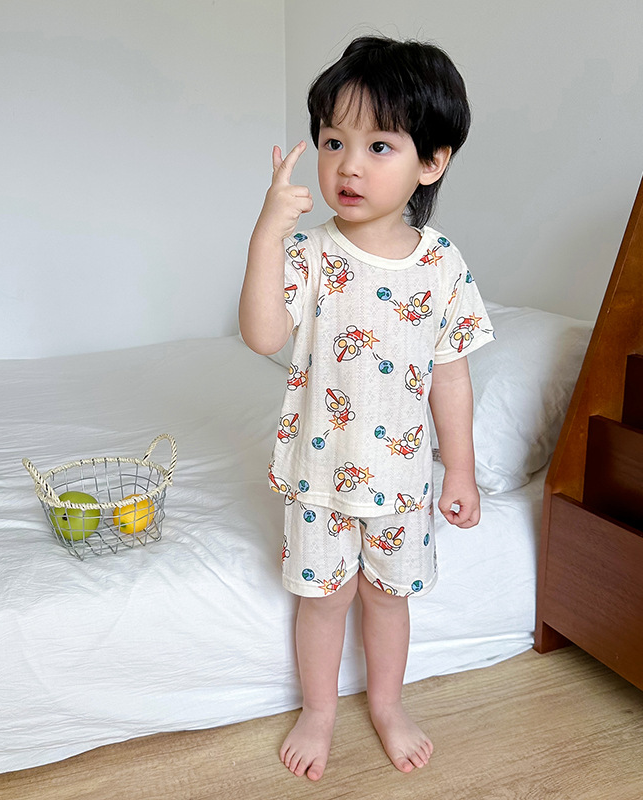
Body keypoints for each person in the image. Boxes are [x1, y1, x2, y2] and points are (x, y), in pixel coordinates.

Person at [238, 35, 494, 781]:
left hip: (403, 481)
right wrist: (266, 235)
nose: (348, 165)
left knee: (387, 600)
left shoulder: (442, 265)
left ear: (432, 162)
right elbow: (262, 336)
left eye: (379, 145)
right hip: (321, 477)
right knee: (324, 601)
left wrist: (460, 470)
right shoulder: (310, 253)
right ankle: (318, 710)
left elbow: (450, 377)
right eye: (332, 142)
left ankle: (386, 704)